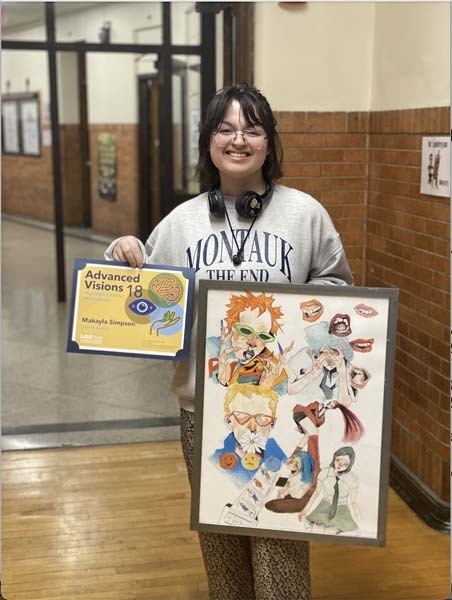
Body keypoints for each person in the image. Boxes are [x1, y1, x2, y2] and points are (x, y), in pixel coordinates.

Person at [105, 83, 353, 600]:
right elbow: (144, 295)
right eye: (225, 128)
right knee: (221, 539)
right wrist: (122, 252)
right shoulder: (182, 221)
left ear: (269, 142)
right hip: (204, 409)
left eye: (252, 128)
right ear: (209, 141)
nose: (239, 139)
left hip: (282, 410)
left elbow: (338, 290)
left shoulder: (306, 214)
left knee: (279, 539)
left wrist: (295, 314)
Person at [212, 383, 286, 485]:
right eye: (242, 417)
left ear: (272, 424)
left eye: (262, 419)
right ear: (229, 421)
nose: (252, 428)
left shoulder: (278, 454)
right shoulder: (216, 461)